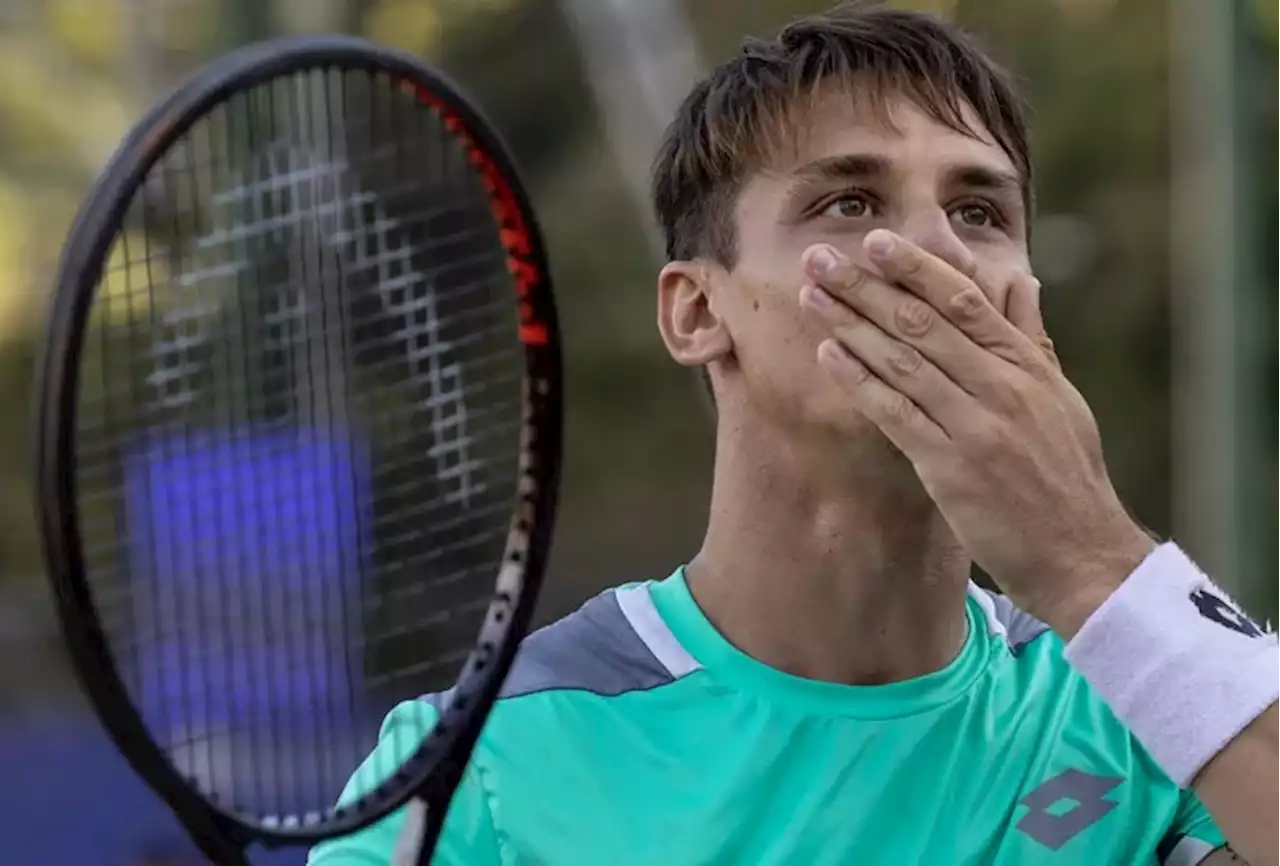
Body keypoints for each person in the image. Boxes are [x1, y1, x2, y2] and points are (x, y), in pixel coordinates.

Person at [310, 2, 1280, 863]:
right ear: (695, 312)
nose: (937, 252)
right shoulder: (478, 771)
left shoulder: (1156, 711)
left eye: (978, 210)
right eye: (847, 202)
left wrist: (1087, 559)